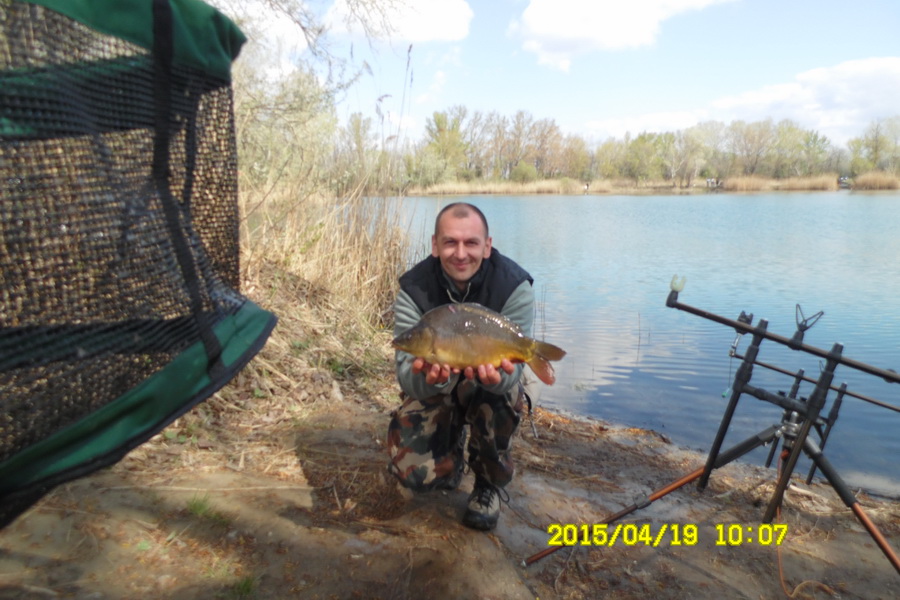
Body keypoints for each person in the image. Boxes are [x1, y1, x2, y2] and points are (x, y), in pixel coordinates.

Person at [387, 202, 537, 530]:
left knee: (502, 395)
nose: (460, 253)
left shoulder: (514, 287)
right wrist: (433, 379)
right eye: (450, 242)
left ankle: (487, 483)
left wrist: (497, 379)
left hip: (489, 385)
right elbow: (406, 377)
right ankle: (449, 457)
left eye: (471, 243)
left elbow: (514, 373)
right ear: (434, 245)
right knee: (417, 476)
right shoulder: (413, 289)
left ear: (487, 246)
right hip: (438, 388)